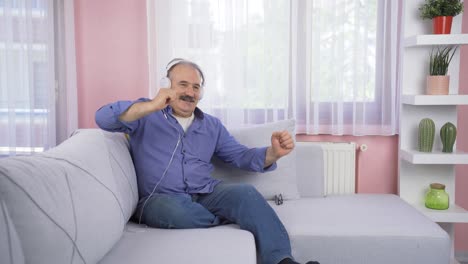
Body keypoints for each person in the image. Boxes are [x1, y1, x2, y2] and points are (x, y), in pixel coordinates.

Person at [95, 58, 319, 264]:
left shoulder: (211, 125)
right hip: (160, 198)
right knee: (174, 211)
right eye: (183, 84)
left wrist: (273, 153)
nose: (190, 92)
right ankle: (232, 216)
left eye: (196, 87)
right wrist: (152, 104)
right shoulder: (144, 114)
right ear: (167, 85)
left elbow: (240, 156)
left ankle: (282, 261)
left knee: (246, 194)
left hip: (205, 193)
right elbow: (103, 118)